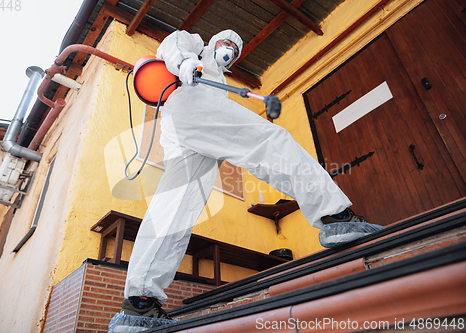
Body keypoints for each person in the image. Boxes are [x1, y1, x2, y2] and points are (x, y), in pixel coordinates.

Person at [120, 30, 384, 319]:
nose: (229, 49)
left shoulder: (219, 80)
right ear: (214, 42)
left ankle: (139, 302)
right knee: (271, 142)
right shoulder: (197, 51)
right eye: (226, 43)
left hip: (186, 135)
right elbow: (175, 41)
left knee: (174, 206)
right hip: (193, 108)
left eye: (235, 48)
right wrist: (184, 62)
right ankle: (334, 216)